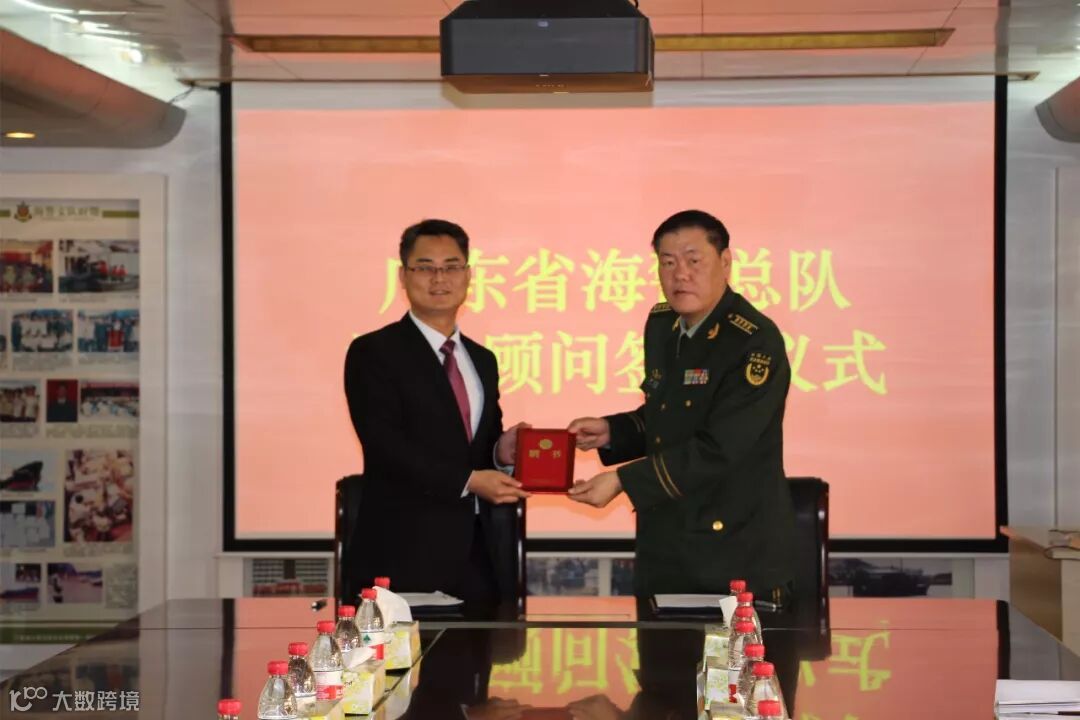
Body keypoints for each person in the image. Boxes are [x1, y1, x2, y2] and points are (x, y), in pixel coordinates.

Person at [568, 209, 798, 601]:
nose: (680, 275)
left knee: (727, 646)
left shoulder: (754, 340)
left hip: (734, 553)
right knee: (659, 644)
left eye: (694, 261)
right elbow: (671, 414)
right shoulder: (663, 325)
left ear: (725, 261)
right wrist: (613, 431)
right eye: (668, 262)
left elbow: (720, 447)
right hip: (666, 547)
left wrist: (624, 481)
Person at [344, 219, 529, 610]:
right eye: (425, 267)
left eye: (451, 266)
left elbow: (477, 447)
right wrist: (469, 480)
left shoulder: (482, 359)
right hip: (401, 552)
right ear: (403, 276)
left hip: (476, 556)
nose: (440, 278)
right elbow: (384, 445)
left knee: (481, 647)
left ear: (468, 275)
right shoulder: (373, 352)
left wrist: (502, 452)